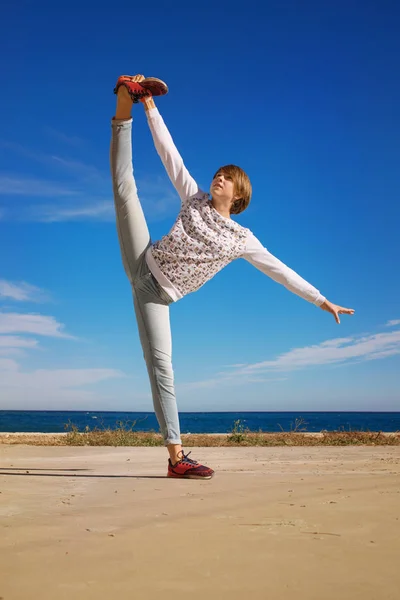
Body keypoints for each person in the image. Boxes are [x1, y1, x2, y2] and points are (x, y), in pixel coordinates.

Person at [110, 74, 355, 480]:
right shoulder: (195, 196)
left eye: (227, 177)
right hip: (143, 258)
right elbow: (170, 154)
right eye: (218, 173)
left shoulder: (243, 239)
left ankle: (176, 459)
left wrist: (320, 299)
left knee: (162, 368)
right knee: (125, 189)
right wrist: (150, 106)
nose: (217, 178)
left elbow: (281, 271)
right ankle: (126, 101)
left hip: (157, 296)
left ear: (238, 195)